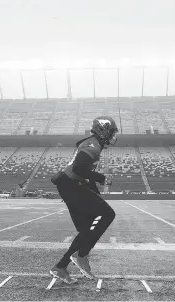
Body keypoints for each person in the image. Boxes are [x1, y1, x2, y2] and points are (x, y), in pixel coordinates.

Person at [49, 116, 118, 284]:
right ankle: (82, 255)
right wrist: (102, 177)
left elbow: (84, 175)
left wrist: (96, 194)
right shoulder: (93, 145)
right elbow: (78, 168)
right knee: (107, 214)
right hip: (71, 184)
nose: (113, 136)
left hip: (70, 185)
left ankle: (61, 267)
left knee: (87, 230)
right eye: (112, 132)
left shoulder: (94, 145)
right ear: (103, 130)